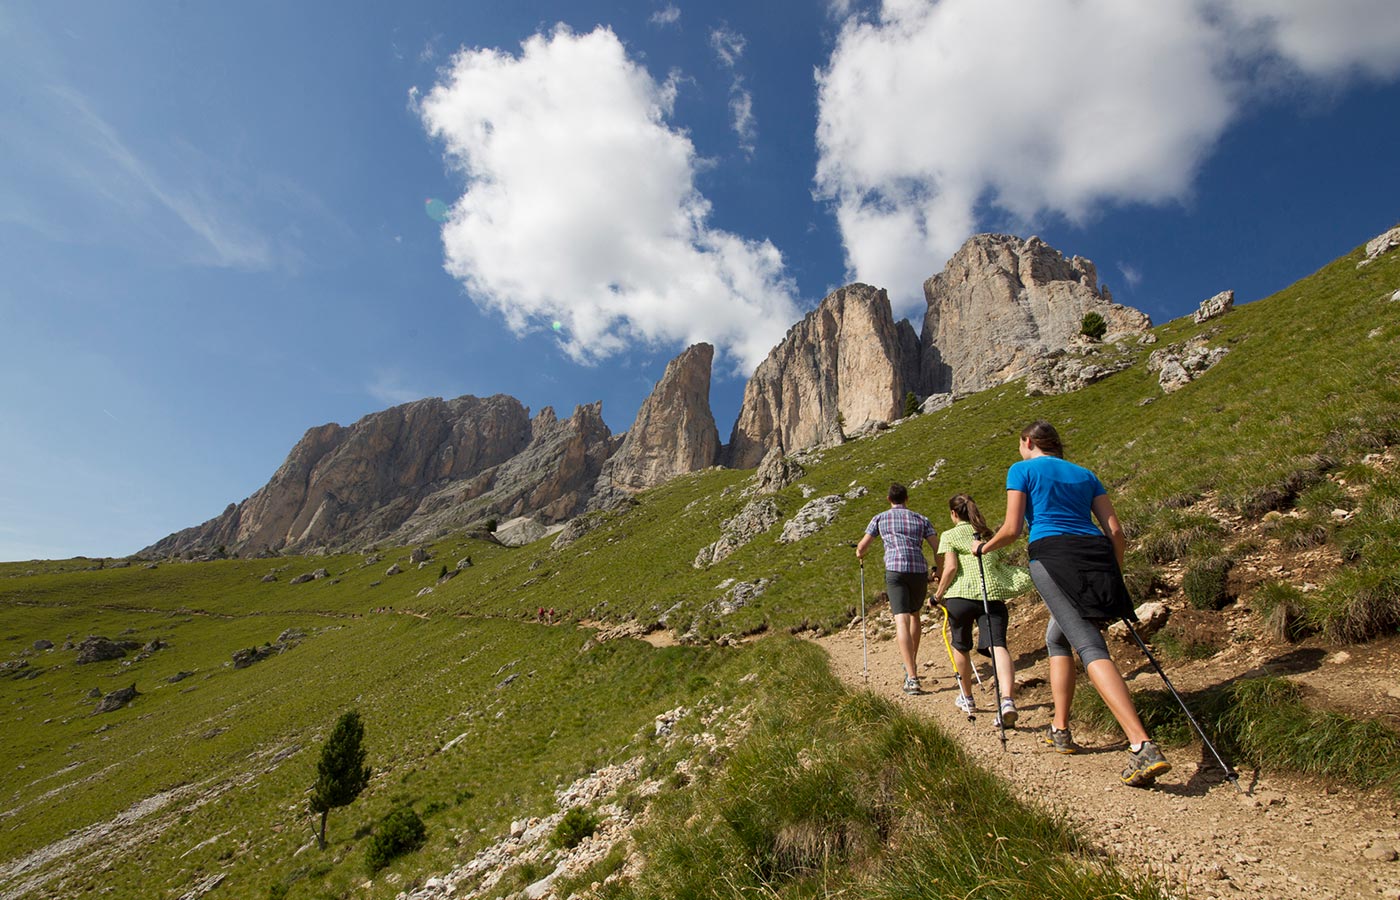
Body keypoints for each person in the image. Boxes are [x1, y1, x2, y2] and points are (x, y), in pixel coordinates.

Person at [977, 421, 1171, 787]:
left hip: (1053, 556)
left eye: (1021, 444)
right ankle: (1061, 729)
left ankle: (1140, 743)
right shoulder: (1086, 474)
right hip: (1097, 556)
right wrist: (1112, 570)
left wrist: (983, 547)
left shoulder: (1022, 469)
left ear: (1028, 442)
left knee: (1089, 645)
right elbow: (1115, 531)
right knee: (1058, 638)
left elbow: (1013, 529)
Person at [932, 493, 1031, 724]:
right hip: (991, 596)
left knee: (960, 644)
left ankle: (967, 697)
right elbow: (997, 562)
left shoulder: (950, 535)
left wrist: (937, 596)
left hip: (960, 597)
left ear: (954, 514)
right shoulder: (988, 535)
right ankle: (1007, 699)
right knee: (998, 645)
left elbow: (951, 568)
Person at [856, 483, 938, 694]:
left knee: (900, 618)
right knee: (915, 615)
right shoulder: (921, 519)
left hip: (895, 569)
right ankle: (911, 662)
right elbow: (937, 547)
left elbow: (863, 547)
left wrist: (860, 554)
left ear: (888, 499)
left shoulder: (880, 518)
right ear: (907, 498)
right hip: (919, 570)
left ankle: (911, 677)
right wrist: (938, 568)